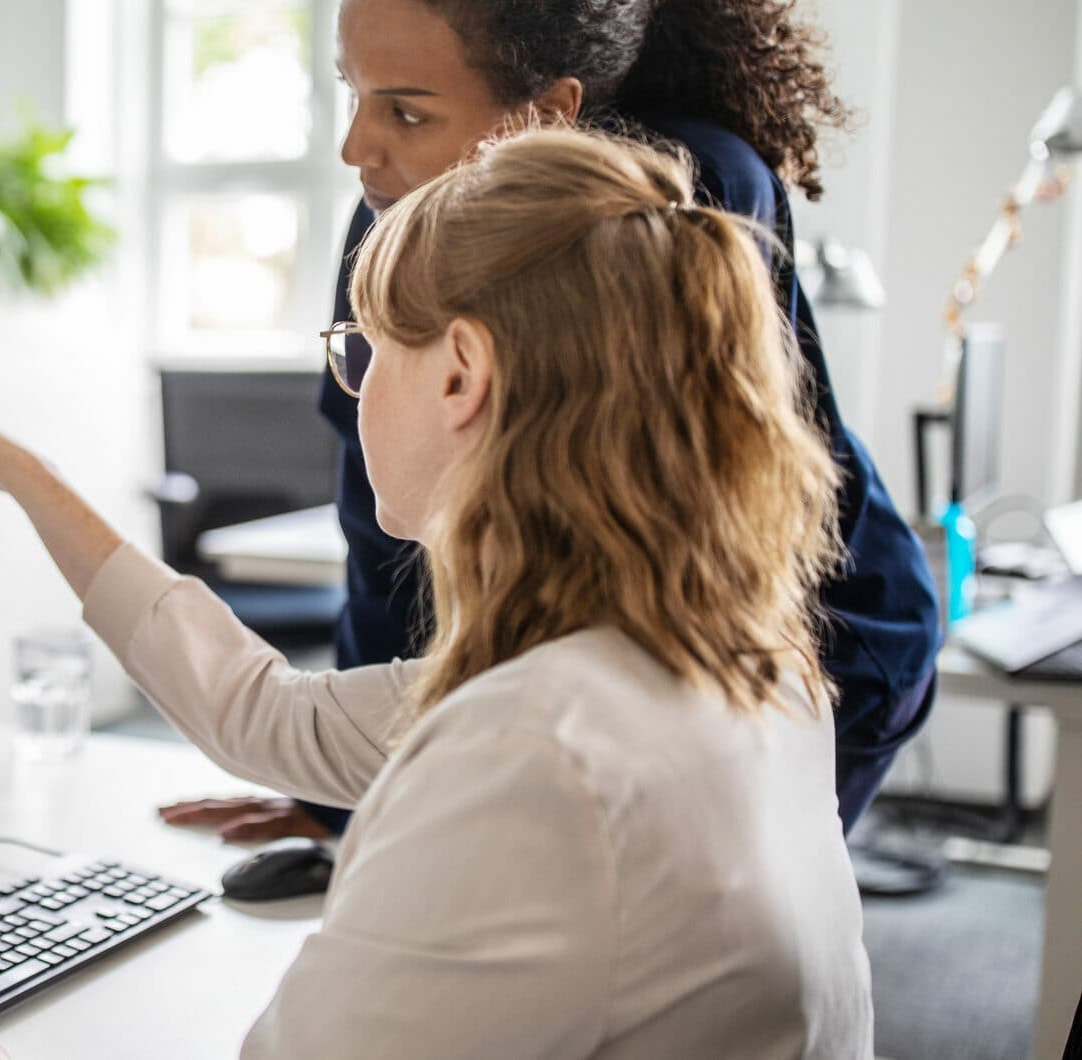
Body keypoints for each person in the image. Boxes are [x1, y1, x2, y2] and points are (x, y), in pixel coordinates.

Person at [0, 128, 871, 1059]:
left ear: (460, 374)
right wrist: (22, 473)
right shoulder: (729, 665)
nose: (351, 391)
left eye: (363, 350)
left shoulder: (531, 755)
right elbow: (264, 712)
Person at [162, 0, 940, 844]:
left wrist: (409, 788)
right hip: (593, 663)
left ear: (547, 111)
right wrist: (344, 796)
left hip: (804, 641)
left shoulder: (677, 194)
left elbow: (662, 549)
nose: (358, 149)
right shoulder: (389, 211)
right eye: (355, 93)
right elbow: (382, 529)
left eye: (408, 111)